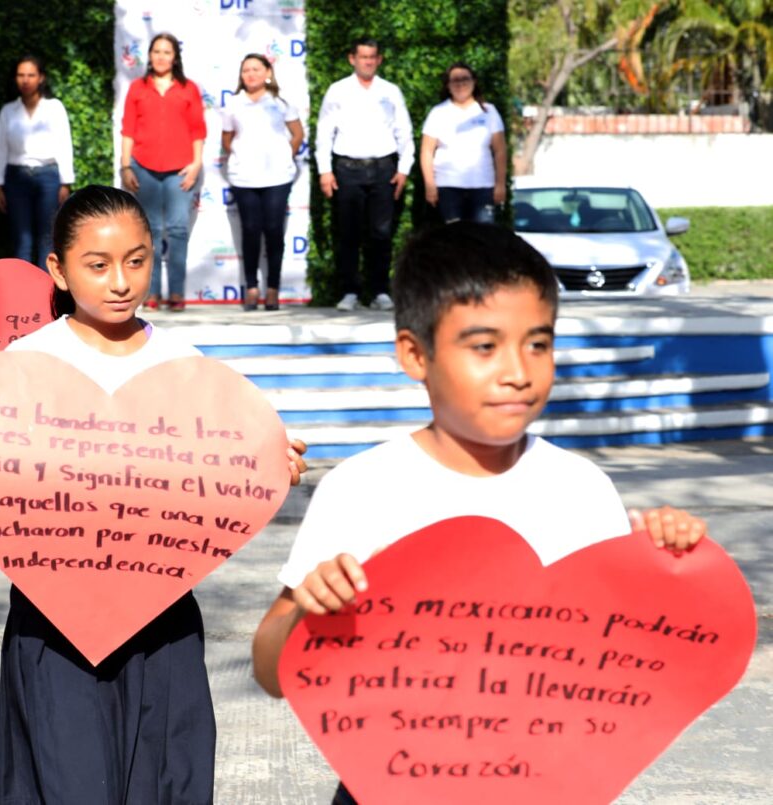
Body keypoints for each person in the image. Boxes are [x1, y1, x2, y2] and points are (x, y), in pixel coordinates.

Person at [252, 222, 707, 805]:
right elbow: (270, 674)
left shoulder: (582, 490)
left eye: (538, 343)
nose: (518, 370)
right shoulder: (362, 489)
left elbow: (625, 664)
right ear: (416, 354)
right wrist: (307, 616)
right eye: (484, 346)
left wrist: (671, 576)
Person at [0, 185, 307, 802]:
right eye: (98, 265)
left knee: (165, 777)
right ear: (59, 272)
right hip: (54, 619)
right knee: (69, 780)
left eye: (137, 260)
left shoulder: (185, 364)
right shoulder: (22, 364)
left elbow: (212, 477)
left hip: (161, 618)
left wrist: (268, 462)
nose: (121, 281)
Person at [315, 36, 413, 312]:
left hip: (384, 168)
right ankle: (349, 291)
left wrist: (404, 169)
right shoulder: (337, 90)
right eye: (363, 57)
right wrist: (325, 171)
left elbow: (404, 132)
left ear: (378, 60)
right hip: (347, 169)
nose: (368, 62)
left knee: (381, 233)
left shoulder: (390, 91)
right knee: (348, 233)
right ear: (352, 59)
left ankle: (380, 291)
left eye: (372, 57)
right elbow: (324, 133)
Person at [121, 32, 206, 312]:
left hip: (180, 169)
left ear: (175, 57)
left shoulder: (188, 88)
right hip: (143, 168)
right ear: (149, 56)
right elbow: (128, 129)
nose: (161, 56)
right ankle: (152, 293)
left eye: (166, 52)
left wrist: (195, 164)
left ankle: (178, 294)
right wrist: (125, 165)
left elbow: (197, 131)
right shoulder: (137, 88)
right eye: (156, 51)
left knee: (179, 230)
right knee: (150, 232)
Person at [221, 53, 304, 311]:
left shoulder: (281, 103)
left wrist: (282, 154)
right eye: (246, 70)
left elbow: (297, 134)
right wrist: (241, 153)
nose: (251, 74)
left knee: (274, 231)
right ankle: (252, 288)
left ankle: (273, 289)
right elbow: (226, 139)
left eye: (256, 69)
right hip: (244, 178)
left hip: (277, 178)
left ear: (268, 72)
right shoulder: (233, 104)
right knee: (250, 230)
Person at [0, 55, 74, 268]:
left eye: (31, 75)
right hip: (16, 178)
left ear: (41, 78)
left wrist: (65, 182)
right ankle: (23, 297)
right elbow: (0, 148)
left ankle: (48, 295)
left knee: (48, 239)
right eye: (21, 75)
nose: (25, 80)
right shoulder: (8, 110)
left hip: (48, 176)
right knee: (21, 240)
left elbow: (64, 143)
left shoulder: (54, 107)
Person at [420, 62, 507, 224]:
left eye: (465, 79)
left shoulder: (489, 111)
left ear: (474, 81)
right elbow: (426, 151)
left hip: (483, 186)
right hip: (448, 186)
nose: (460, 84)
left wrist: (500, 184)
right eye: (455, 80)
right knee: (453, 239)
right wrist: (430, 185)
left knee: (483, 239)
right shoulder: (438, 112)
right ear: (448, 85)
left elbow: (500, 150)